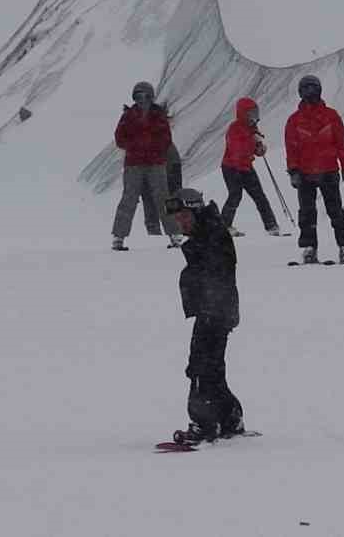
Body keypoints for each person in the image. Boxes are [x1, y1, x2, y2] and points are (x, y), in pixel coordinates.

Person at [167, 187, 244, 445]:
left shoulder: (211, 234)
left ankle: (204, 424)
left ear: (196, 211)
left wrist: (211, 306)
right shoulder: (208, 232)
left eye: (184, 217)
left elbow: (216, 273)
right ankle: (230, 417)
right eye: (178, 219)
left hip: (215, 311)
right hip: (214, 310)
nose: (181, 223)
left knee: (200, 369)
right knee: (211, 369)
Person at [284, 74, 344, 265]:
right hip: (305, 172)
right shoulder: (294, 120)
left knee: (335, 210)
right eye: (306, 88)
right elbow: (291, 148)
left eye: (313, 88)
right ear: (300, 92)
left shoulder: (331, 116)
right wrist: (293, 171)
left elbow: (341, 143)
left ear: (319, 90)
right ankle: (309, 248)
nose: (310, 92)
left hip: (328, 170)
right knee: (307, 212)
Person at [111, 81, 179, 251]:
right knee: (129, 198)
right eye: (138, 96)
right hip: (134, 164)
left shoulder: (158, 115)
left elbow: (166, 139)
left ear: (151, 96)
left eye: (145, 95)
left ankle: (175, 234)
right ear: (134, 97)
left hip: (155, 163)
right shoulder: (128, 116)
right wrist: (137, 146)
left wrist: (151, 147)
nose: (142, 99)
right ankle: (118, 237)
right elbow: (119, 138)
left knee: (164, 198)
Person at [220, 98, 281, 237]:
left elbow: (251, 150)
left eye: (255, 113)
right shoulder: (234, 128)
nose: (254, 116)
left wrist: (259, 149)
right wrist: (253, 141)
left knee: (259, 196)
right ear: (243, 114)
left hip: (245, 167)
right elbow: (237, 150)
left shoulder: (252, 128)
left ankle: (271, 226)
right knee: (235, 195)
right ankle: (224, 226)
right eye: (251, 113)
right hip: (232, 167)